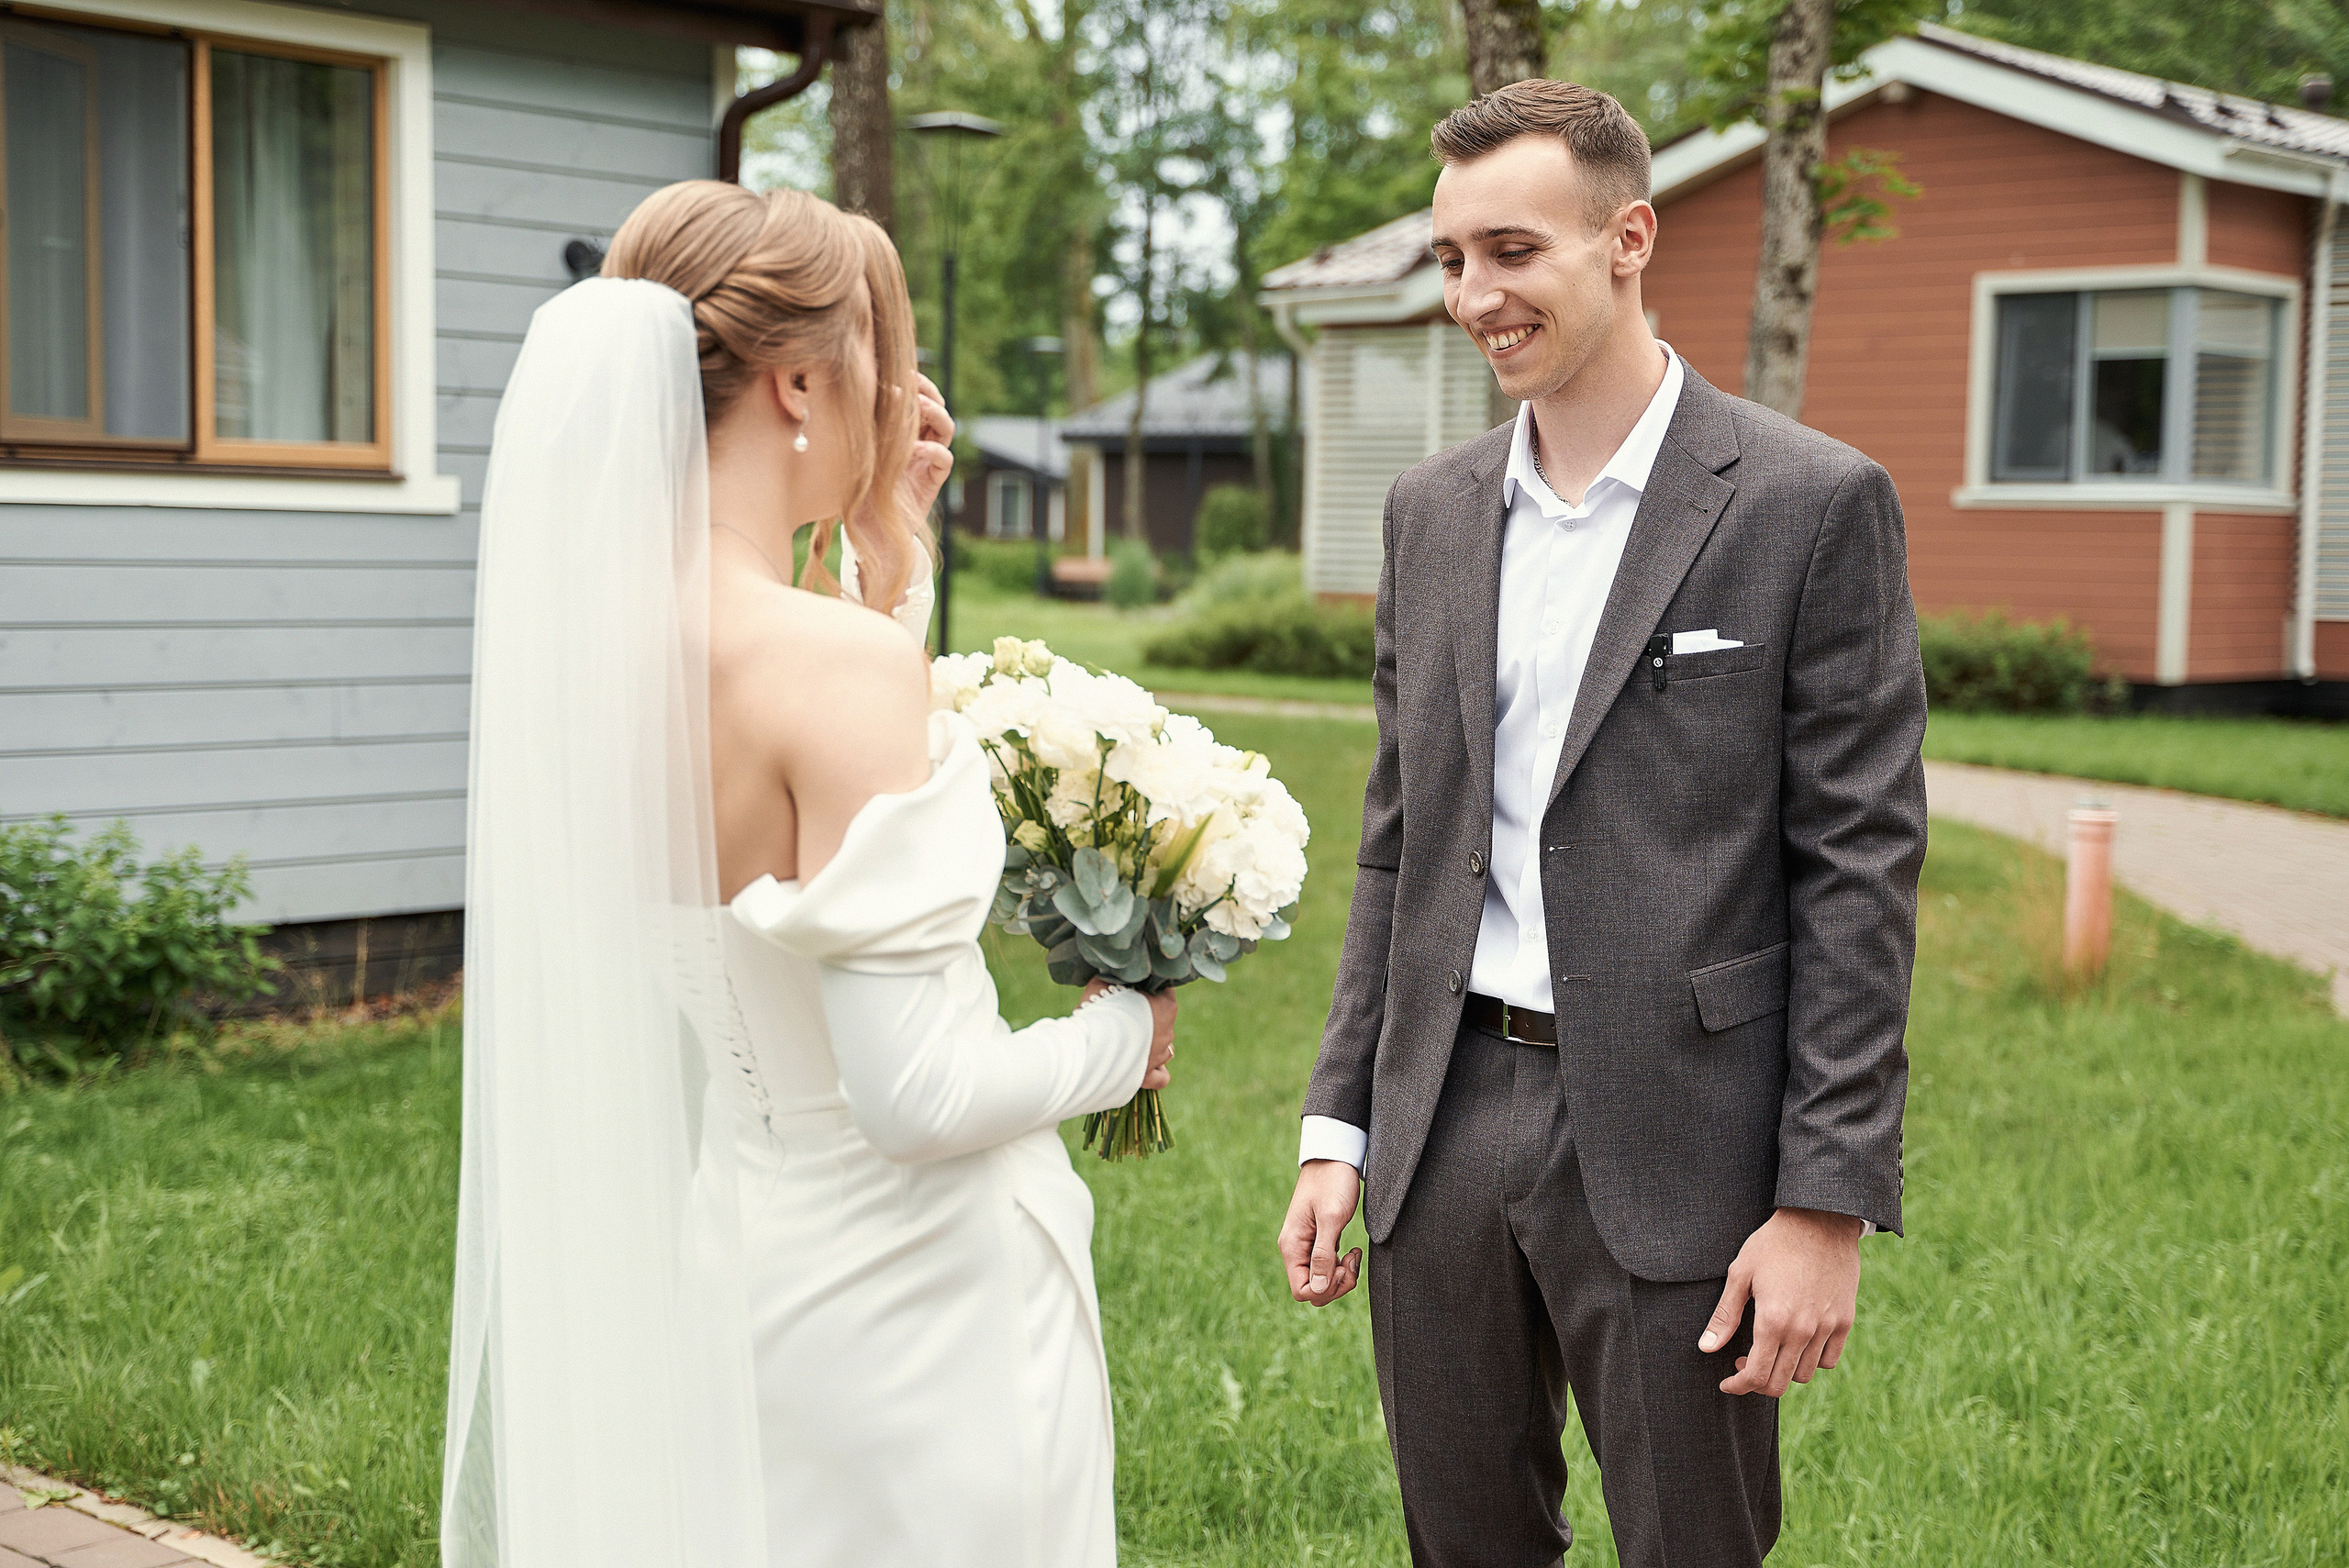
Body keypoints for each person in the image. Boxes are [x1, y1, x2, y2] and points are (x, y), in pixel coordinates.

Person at [441, 180, 1174, 1568]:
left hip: (746, 1266)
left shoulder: (582, 662)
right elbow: (919, 1095)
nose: (897, 395)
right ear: (794, 379)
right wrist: (1123, 1036)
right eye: (875, 361)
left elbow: (772, 808)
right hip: (925, 1312)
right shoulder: (831, 672)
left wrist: (887, 565)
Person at [1276, 82, 1925, 1567]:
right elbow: (1399, 838)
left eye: (1510, 251)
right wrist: (1340, 1125)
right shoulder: (1429, 514)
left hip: (1680, 1138)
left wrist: (1824, 1200)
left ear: (1628, 238)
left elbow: (1861, 871)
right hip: (1438, 1124)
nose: (1472, 296)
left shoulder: (1808, 504)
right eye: (1449, 260)